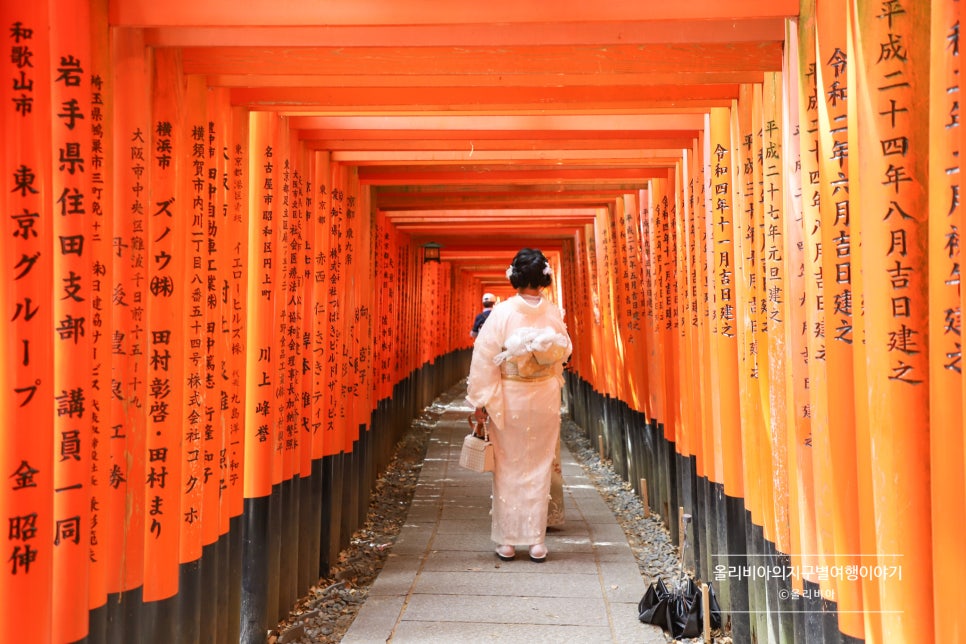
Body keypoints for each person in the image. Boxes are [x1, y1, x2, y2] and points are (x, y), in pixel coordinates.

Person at [465, 248, 572, 563]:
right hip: (544, 395)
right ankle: (537, 541)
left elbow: (485, 357)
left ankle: (508, 541)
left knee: (508, 466)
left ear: (513, 277)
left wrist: (481, 401)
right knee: (539, 466)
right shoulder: (553, 311)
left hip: (511, 394)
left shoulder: (502, 312)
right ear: (545, 278)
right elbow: (565, 349)